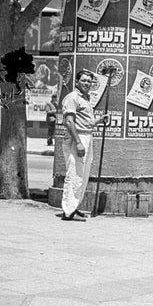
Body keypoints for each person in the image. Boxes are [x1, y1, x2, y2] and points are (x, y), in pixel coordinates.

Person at [60, 70, 107, 222]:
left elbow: (85, 121)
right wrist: (79, 142)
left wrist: (99, 120)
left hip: (87, 135)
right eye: (84, 80)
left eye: (89, 81)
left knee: (83, 175)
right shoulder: (72, 98)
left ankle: (75, 206)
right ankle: (68, 211)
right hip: (77, 137)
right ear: (77, 82)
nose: (87, 83)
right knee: (74, 174)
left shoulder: (86, 98)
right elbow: (69, 121)